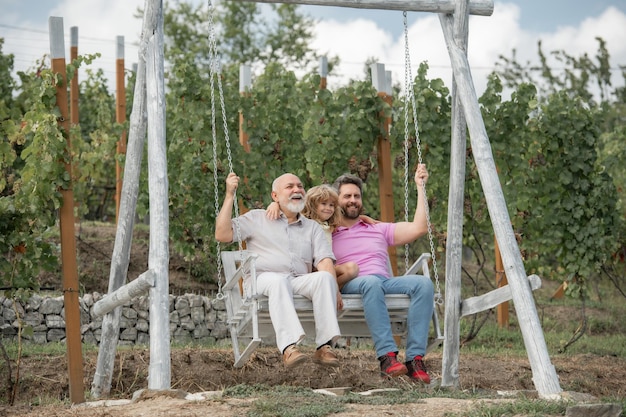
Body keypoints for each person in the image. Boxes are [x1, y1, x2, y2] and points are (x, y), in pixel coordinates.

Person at [215, 172, 342, 369]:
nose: (297, 189)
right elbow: (222, 235)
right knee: (277, 280)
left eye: (300, 186)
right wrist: (230, 195)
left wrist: (335, 289)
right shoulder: (258, 218)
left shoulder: (312, 227)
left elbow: (325, 261)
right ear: (275, 196)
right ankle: (289, 348)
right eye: (289, 186)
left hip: (296, 280)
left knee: (325, 278)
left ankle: (324, 347)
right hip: (263, 281)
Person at [331, 164, 434, 384]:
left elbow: (419, 228)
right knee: (370, 282)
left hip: (382, 283)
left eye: (356, 196)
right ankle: (387, 357)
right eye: (347, 195)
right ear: (336, 199)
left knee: (423, 284)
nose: (353, 200)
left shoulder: (376, 228)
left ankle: (415, 359)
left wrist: (420, 187)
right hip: (352, 283)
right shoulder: (325, 230)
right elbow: (303, 209)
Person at [266, 184, 359, 288]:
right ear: (313, 205)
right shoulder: (305, 223)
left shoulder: (330, 226)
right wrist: (274, 204)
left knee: (352, 268)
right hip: (308, 269)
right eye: (324, 204)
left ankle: (332, 288)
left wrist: (365, 218)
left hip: (326, 267)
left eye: (331, 205)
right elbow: (286, 211)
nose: (328, 208)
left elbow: (350, 219)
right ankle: (329, 288)